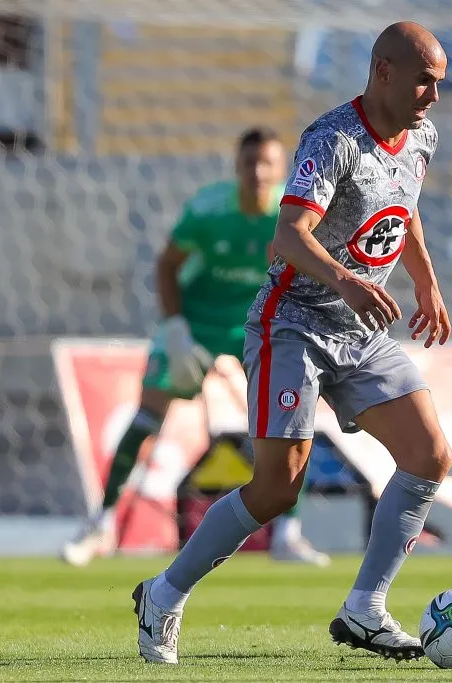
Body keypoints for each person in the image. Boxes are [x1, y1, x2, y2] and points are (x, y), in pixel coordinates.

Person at [131, 21, 452, 665]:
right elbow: (288, 236)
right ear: (382, 70)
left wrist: (427, 285)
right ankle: (163, 594)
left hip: (358, 330)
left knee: (429, 455)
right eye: (424, 80)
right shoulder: (330, 139)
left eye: (439, 83)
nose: (434, 96)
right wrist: (351, 283)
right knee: (278, 488)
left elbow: (406, 207)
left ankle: (365, 607)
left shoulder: (422, 136)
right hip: (294, 324)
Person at [61, 128, 330, 569]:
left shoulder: (294, 214)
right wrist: (174, 327)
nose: (258, 173)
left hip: (257, 324)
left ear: (282, 171)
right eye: (250, 163)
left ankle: (288, 534)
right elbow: (168, 263)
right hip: (197, 323)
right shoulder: (208, 210)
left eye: (267, 164)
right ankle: (100, 523)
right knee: (148, 414)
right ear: (237, 166)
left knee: (286, 417)